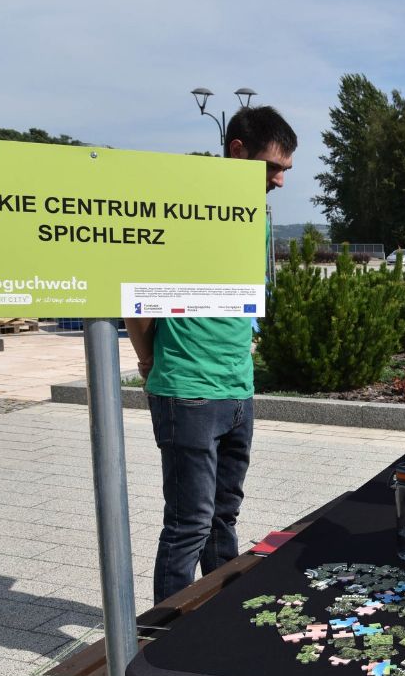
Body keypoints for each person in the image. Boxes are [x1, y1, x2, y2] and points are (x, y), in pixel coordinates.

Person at [127, 105, 297, 603]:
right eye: (274, 167)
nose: (281, 180)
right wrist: (148, 362)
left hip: (237, 389)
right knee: (189, 524)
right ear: (237, 151)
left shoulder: (255, 218)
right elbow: (139, 302)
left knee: (223, 518)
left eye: (285, 169)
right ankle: (165, 634)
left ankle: (219, 613)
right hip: (188, 393)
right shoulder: (180, 210)